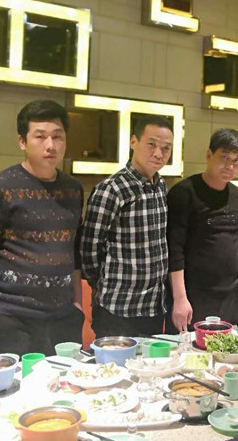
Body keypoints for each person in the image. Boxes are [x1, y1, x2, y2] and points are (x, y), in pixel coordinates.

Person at [0, 100, 84, 356]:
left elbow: (73, 250)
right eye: (40, 136)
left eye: (58, 136)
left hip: (65, 318)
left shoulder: (73, 189)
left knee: (67, 381)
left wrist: (78, 305)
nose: (50, 145)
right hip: (12, 319)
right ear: (22, 141)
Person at [80, 116, 173, 337]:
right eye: (151, 144)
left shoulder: (160, 186)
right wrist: (101, 284)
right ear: (133, 142)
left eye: (165, 148)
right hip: (118, 307)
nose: (158, 153)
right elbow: (89, 250)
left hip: (153, 306)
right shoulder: (112, 188)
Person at [167, 129, 238, 331]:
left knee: (229, 349)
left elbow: (233, 241)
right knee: (191, 349)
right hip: (194, 295)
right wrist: (180, 298)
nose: (230, 166)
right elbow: (174, 249)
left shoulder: (236, 194)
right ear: (209, 155)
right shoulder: (184, 192)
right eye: (225, 157)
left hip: (229, 295)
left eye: (237, 160)